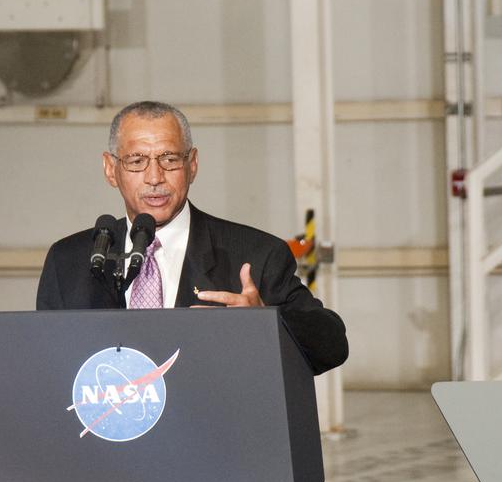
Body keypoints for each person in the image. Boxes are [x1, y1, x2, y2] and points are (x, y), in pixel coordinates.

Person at [36, 101, 348, 374]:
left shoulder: (254, 254)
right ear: (110, 169)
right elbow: (45, 365)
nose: (155, 177)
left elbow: (332, 345)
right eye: (136, 161)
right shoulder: (70, 261)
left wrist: (263, 324)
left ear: (192, 165)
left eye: (170, 159)